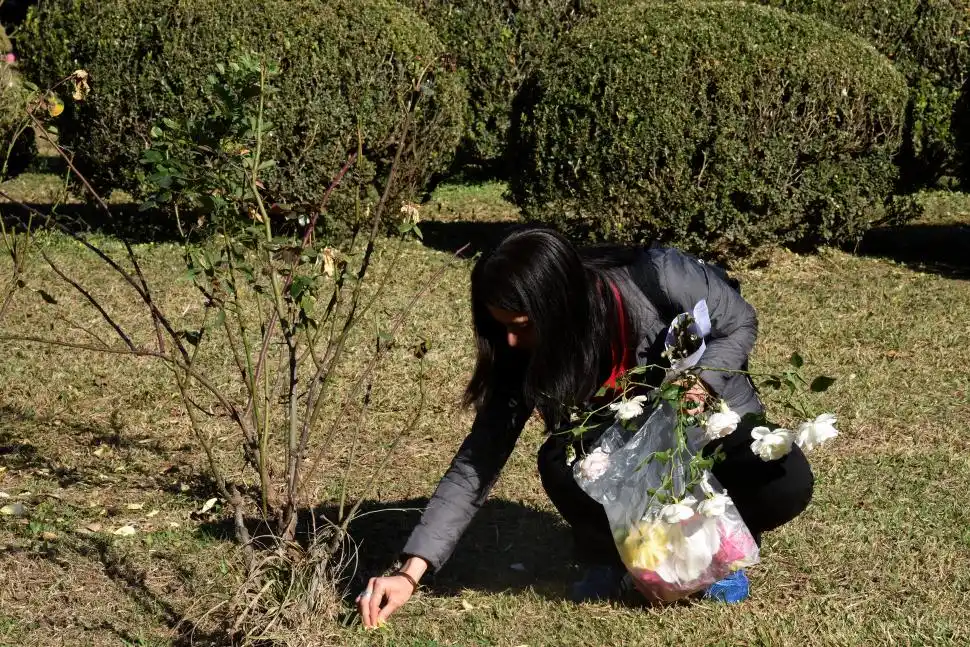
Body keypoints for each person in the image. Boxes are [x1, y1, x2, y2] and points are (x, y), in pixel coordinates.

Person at [357, 227, 814, 628]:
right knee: (562, 461)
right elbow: (480, 458)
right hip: (617, 455)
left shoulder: (656, 276)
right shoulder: (518, 352)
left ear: (562, 306)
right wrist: (409, 571)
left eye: (522, 326)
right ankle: (611, 552)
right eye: (502, 329)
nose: (512, 342)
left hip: (701, 428)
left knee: (784, 478)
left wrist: (703, 378)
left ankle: (721, 546)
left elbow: (738, 322)